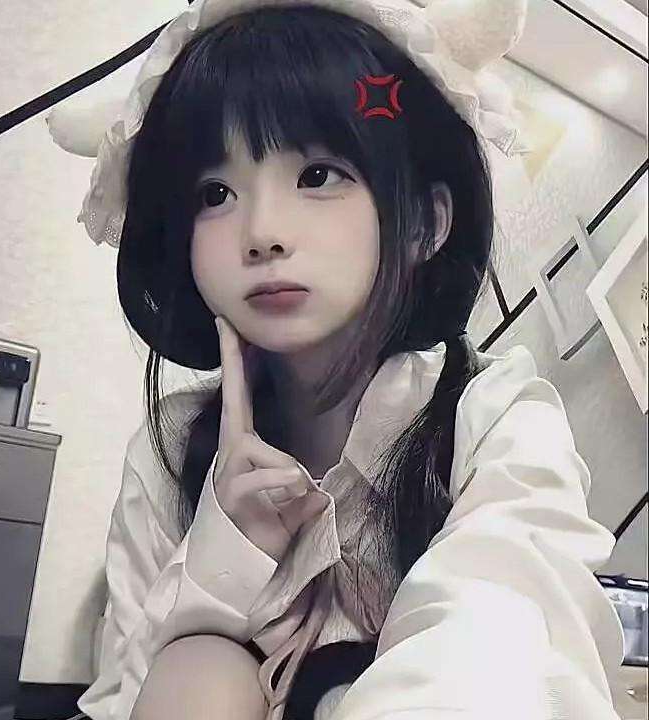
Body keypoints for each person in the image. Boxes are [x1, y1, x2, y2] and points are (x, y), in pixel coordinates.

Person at [60, 1, 626, 718]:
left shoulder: (495, 420)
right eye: (215, 193)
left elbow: (499, 636)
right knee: (201, 662)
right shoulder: (171, 446)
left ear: (426, 223)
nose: (262, 233)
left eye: (319, 175)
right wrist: (221, 559)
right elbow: (124, 695)